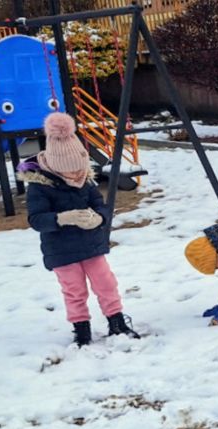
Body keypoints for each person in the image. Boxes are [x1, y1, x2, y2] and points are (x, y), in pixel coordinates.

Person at [23, 113, 139, 347]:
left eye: (80, 169)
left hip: (91, 244)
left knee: (106, 283)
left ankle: (116, 321)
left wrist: (99, 218)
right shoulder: (39, 187)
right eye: (71, 172)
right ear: (55, 169)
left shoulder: (85, 179)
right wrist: (62, 218)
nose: (77, 175)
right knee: (74, 290)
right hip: (61, 250)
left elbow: (101, 205)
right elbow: (36, 219)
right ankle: (81, 329)